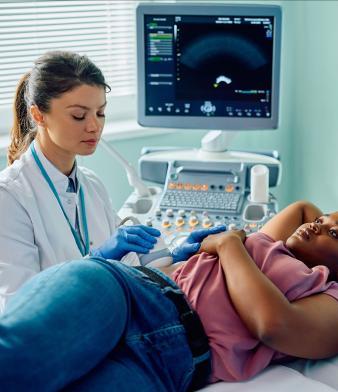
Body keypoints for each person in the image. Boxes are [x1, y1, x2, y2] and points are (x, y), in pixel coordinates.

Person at [0, 200, 338, 391]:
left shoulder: (337, 302)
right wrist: (327, 229)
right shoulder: (276, 245)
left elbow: (272, 324)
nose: (315, 226)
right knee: (17, 362)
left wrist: (227, 245)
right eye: (321, 222)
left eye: (332, 233)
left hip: (167, 364)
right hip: (132, 293)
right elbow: (303, 206)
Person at [0, 50, 220, 313]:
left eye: (101, 113)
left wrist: (176, 253)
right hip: (61, 340)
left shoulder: (91, 185)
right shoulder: (10, 197)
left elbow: (129, 267)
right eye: (79, 116)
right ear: (38, 115)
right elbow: (18, 307)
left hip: (109, 319)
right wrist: (99, 260)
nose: (94, 126)